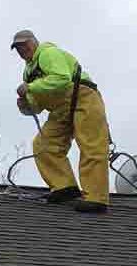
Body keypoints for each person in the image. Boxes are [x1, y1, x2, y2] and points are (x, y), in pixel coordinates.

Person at [12, 29, 111, 213]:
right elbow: (38, 105)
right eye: (18, 48)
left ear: (34, 42)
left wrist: (31, 88)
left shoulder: (48, 52)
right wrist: (26, 104)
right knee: (44, 145)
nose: (21, 50)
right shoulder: (29, 72)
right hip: (61, 108)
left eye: (24, 45)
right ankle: (64, 187)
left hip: (83, 96)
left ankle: (97, 199)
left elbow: (62, 78)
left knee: (91, 146)